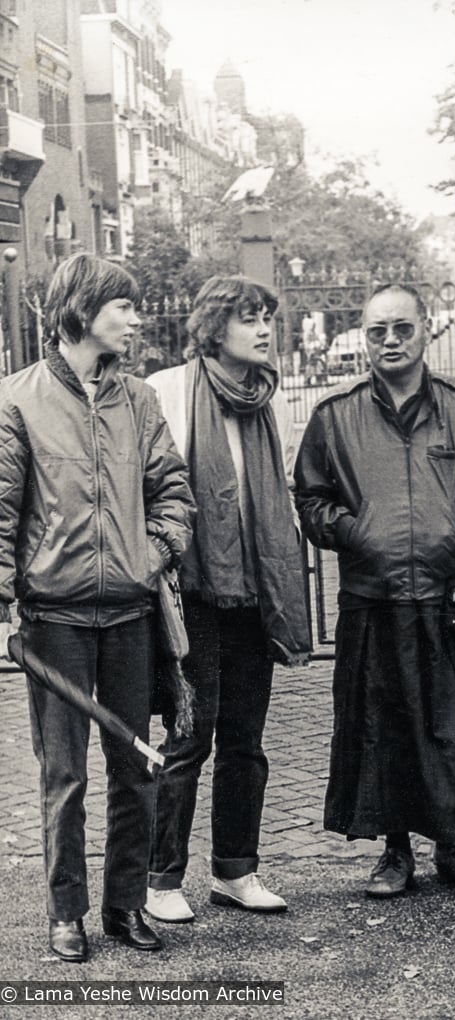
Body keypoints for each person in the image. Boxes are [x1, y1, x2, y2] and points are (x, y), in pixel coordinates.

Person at [294, 283, 455, 898]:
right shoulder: (334, 416)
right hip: (371, 596)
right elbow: (310, 500)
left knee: (452, 724)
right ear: (363, 338)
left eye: (402, 329)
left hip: (445, 596)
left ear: (426, 331)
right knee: (381, 725)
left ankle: (453, 843)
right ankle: (394, 852)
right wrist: (353, 531)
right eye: (376, 331)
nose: (390, 341)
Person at [0, 254, 195, 962]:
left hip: (129, 618)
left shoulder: (138, 400)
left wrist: (153, 554)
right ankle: (65, 912)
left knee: (134, 766)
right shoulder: (16, 401)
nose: (135, 318)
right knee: (64, 774)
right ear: (82, 310)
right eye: (123, 306)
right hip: (54, 621)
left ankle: (125, 904)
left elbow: (173, 491)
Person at [145, 275, 310, 924]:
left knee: (246, 739)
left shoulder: (267, 399)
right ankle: (161, 880)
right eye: (248, 318)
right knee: (190, 736)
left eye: (267, 316)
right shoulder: (168, 391)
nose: (264, 328)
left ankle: (235, 872)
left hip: (252, 592)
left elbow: (276, 501)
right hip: (192, 593)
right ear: (214, 328)